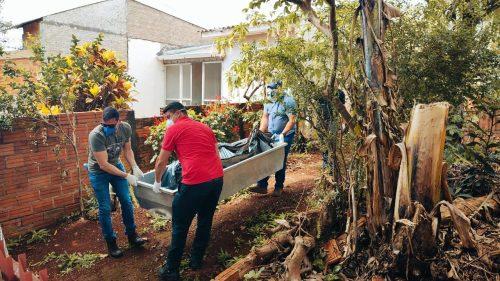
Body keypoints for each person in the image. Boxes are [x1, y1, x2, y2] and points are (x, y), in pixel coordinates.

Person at [154, 102, 224, 281]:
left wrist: (157, 181)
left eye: (168, 117)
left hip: (195, 182)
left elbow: (161, 162)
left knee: (180, 224)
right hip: (216, 179)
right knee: (205, 220)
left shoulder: (174, 130)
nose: (167, 121)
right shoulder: (204, 127)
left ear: (178, 113)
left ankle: (171, 270)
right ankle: (196, 260)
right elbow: (216, 153)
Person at [87, 107, 146, 258]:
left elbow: (128, 150)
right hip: (99, 172)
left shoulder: (125, 128)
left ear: (118, 122)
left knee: (126, 201)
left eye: (112, 126)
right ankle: (111, 242)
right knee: (105, 207)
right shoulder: (96, 135)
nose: (108, 128)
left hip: (116, 165)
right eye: (105, 125)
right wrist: (126, 175)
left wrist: (134, 166)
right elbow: (103, 165)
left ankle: (132, 236)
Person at [250, 81, 297, 196]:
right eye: (269, 89)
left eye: (274, 89)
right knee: (265, 156)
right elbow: (265, 117)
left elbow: (292, 120)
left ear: (280, 89)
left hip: (286, 134)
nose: (271, 92)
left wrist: (283, 134)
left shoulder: (288, 101)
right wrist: (261, 132)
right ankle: (262, 185)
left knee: (279, 159)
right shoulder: (268, 101)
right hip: (271, 134)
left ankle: (278, 187)